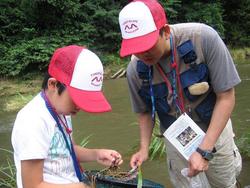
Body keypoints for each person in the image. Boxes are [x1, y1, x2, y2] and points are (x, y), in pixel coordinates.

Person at [117, 0, 242, 187]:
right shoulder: (136, 69)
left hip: (214, 128)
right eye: (136, 48)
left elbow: (226, 97)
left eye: (147, 45)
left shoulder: (203, 38)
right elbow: (144, 111)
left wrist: (204, 151)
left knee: (224, 183)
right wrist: (144, 148)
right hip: (176, 137)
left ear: (165, 31)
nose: (142, 54)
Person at [11, 45, 123, 188]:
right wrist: (80, 187)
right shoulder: (32, 120)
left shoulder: (62, 110)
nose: (80, 106)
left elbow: (67, 150)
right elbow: (33, 185)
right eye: (76, 98)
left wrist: (97, 154)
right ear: (53, 84)